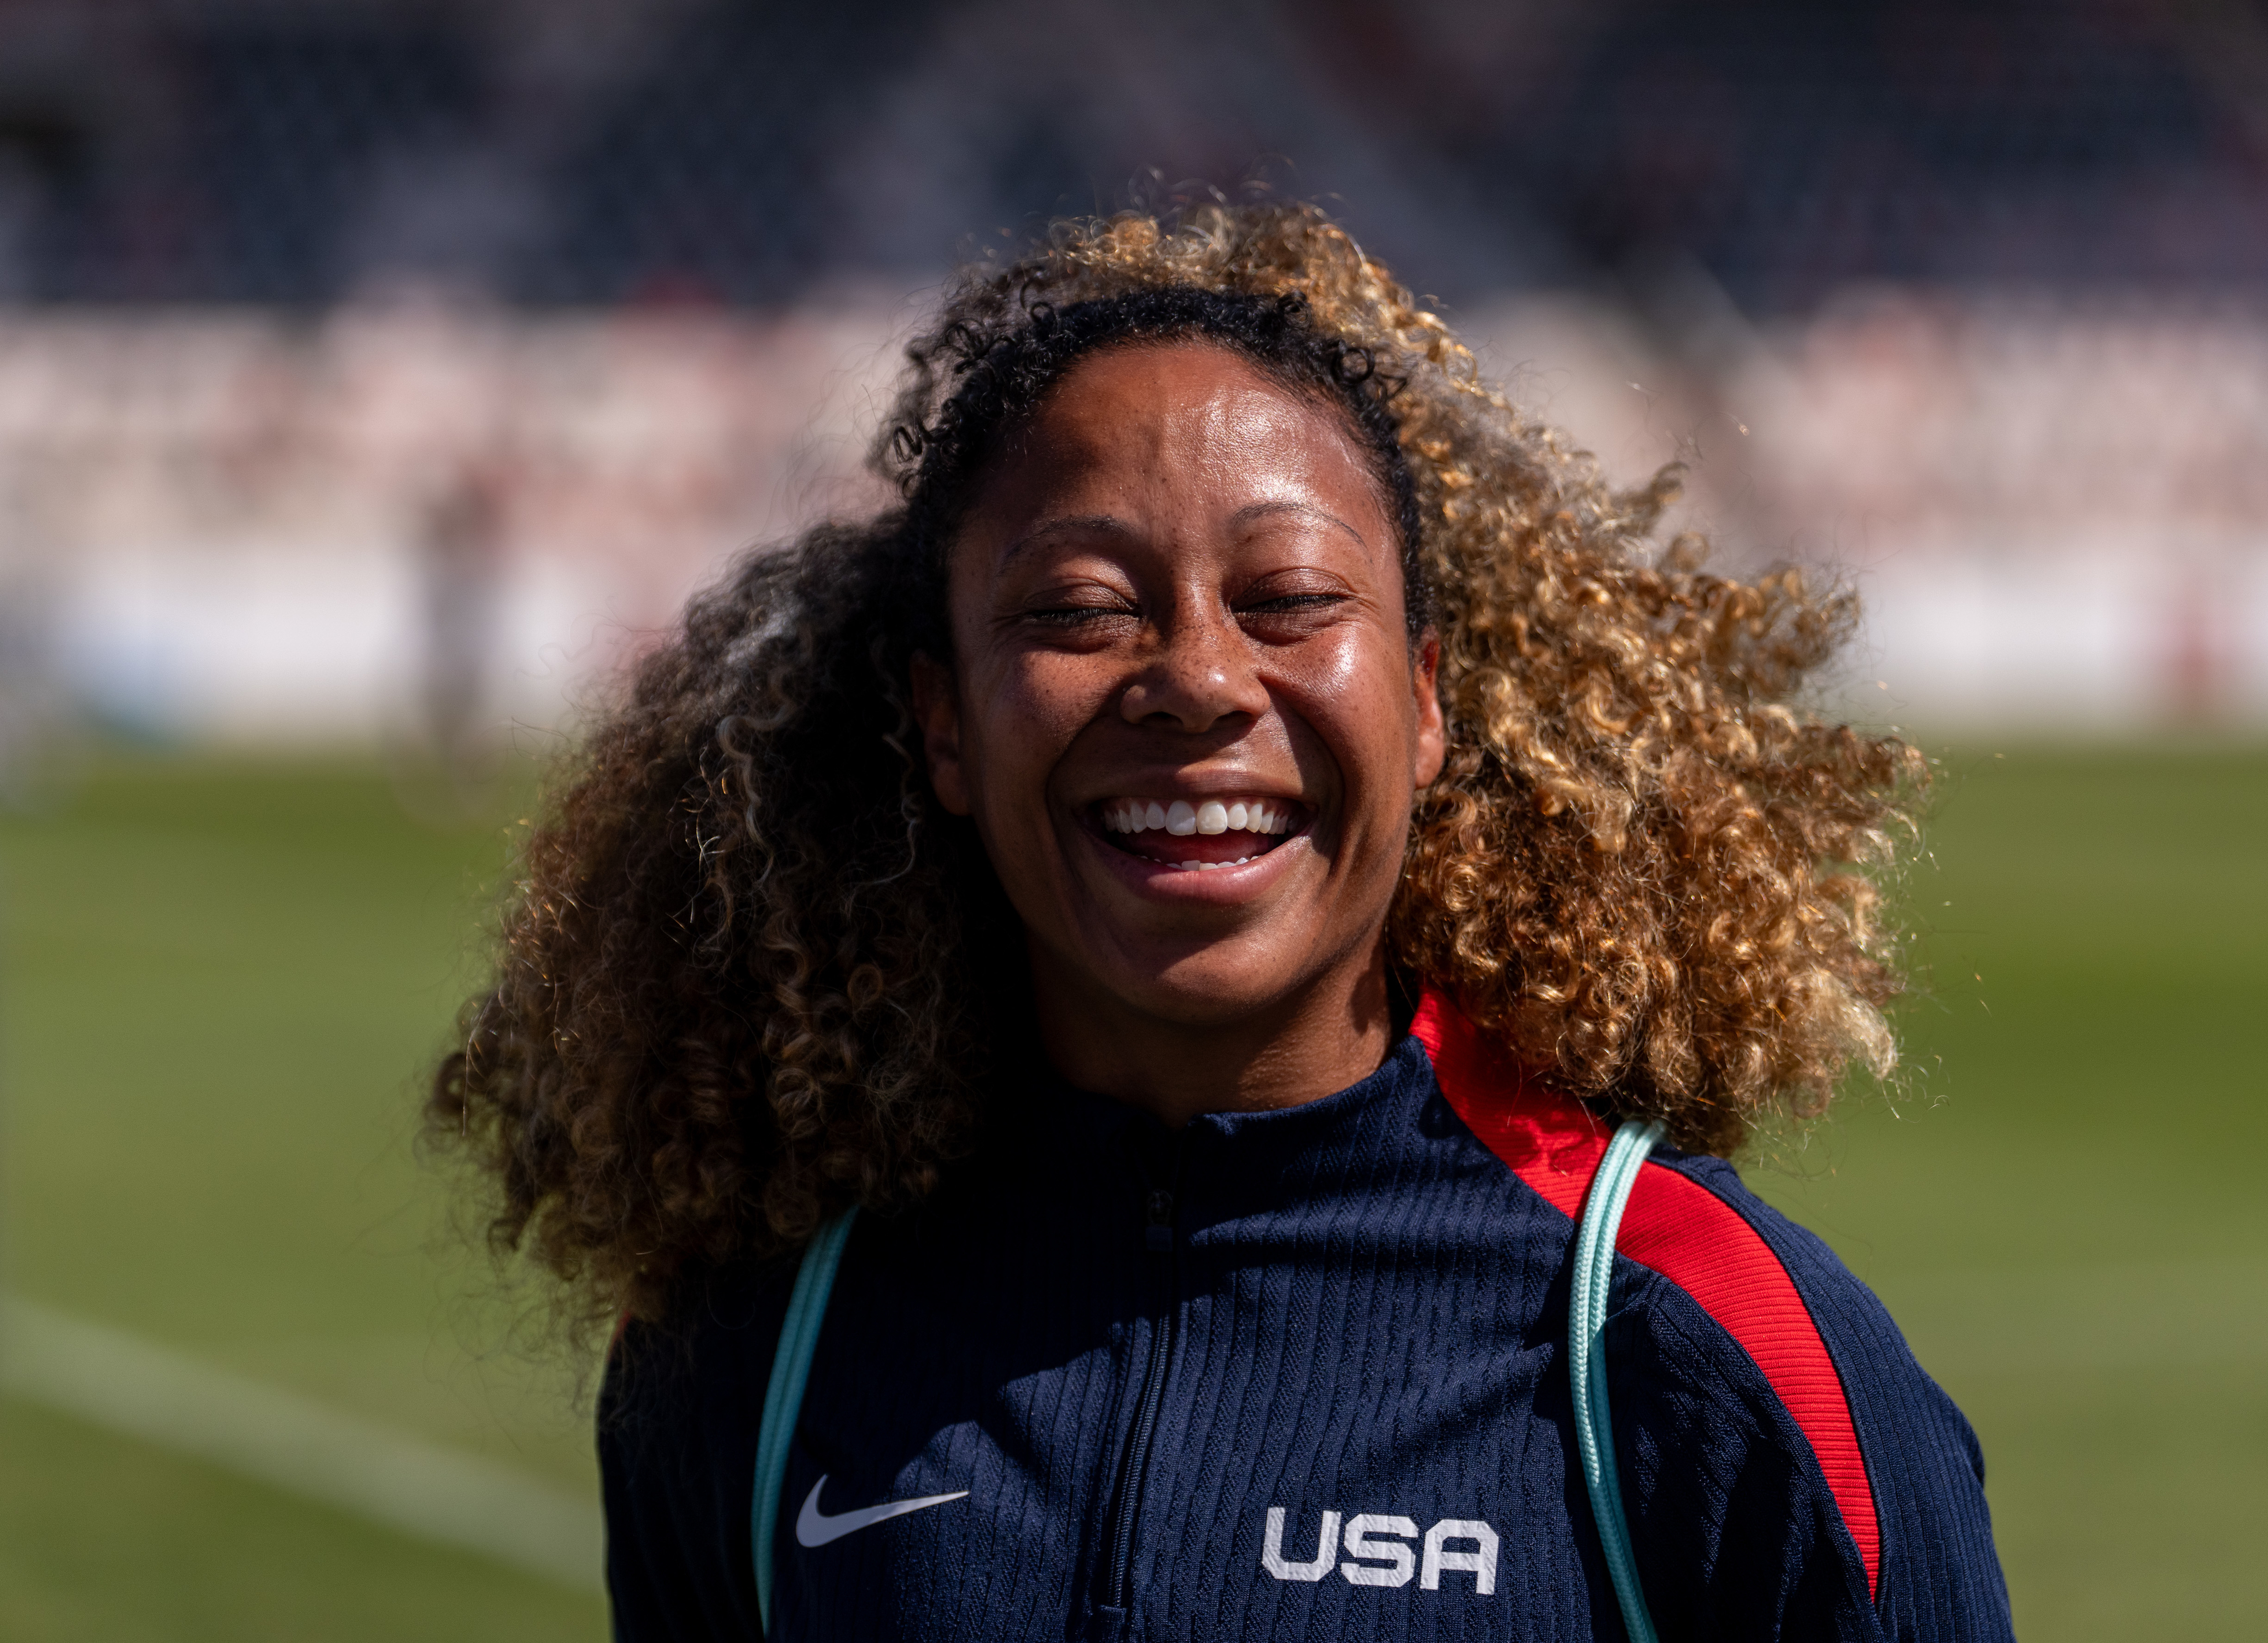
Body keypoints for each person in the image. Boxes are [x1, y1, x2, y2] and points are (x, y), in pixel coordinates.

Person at [430, 204, 2010, 1641]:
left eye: (1292, 601)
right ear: (943, 731)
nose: (1195, 678)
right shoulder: (762, 1350)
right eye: (1078, 610)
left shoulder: (1689, 1347)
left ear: (1432, 700)